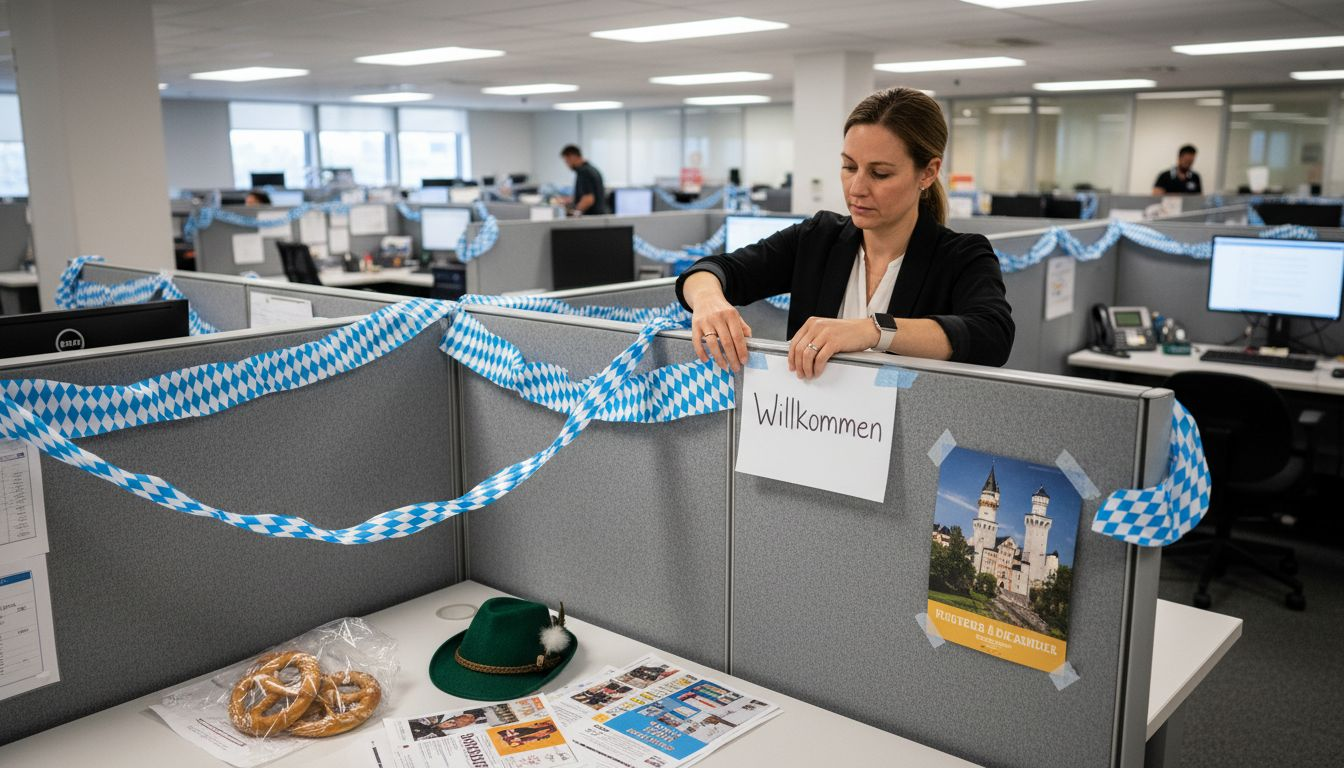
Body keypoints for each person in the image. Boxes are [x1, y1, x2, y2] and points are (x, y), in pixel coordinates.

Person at [675, 87, 1014, 379]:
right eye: (849, 167)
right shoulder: (817, 239)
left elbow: (992, 336)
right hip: (808, 422)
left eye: (880, 174)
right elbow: (714, 270)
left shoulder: (961, 257)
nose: (857, 188)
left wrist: (873, 330)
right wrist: (708, 300)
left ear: (928, 173)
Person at [559, 145, 608, 215]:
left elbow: (588, 199)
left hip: (591, 218)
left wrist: (574, 213)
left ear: (572, 157)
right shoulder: (591, 169)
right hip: (599, 216)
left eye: (567, 161)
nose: (567, 165)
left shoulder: (584, 172)